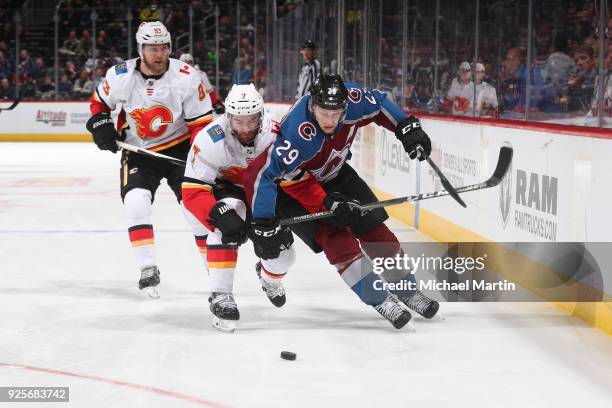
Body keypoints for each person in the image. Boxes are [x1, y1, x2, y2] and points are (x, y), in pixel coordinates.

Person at [244, 74, 440, 330]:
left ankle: (407, 290)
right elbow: (265, 176)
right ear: (312, 106)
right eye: (323, 113)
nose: (330, 120)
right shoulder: (298, 133)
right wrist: (325, 204)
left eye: (336, 114)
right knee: (339, 242)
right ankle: (379, 298)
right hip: (295, 190)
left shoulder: (354, 100)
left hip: (335, 174)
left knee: (377, 232)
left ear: (345, 107)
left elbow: (379, 103)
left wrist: (405, 127)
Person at [86, 21, 213, 298]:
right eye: (152, 47)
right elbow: (99, 103)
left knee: (196, 212)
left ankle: (214, 270)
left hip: (181, 149)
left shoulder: (186, 75)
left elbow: (200, 125)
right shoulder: (121, 75)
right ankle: (147, 267)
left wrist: (201, 159)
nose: (159, 53)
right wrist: (100, 123)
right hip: (138, 151)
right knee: (135, 201)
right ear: (141, 48)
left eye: (164, 47)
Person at [182, 83, 295, 332]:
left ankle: (268, 277)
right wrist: (217, 214)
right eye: (238, 122)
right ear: (228, 116)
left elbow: (297, 177)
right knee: (227, 216)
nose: (245, 129)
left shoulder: (276, 135)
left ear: (261, 116)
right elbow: (191, 191)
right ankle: (220, 295)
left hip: (265, 193)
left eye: (251, 121)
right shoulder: (210, 137)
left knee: (285, 255)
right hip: (228, 190)